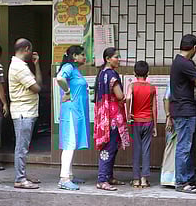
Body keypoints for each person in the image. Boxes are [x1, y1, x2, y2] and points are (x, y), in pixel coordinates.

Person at [169, 35, 196, 194]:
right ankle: (181, 182)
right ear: (195, 48)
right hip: (184, 110)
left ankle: (188, 177)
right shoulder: (184, 63)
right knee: (184, 147)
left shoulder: (179, 61)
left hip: (182, 109)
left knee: (187, 147)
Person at [8, 38, 43, 189]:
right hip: (23, 111)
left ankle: (22, 175)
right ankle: (20, 179)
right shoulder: (19, 67)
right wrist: (36, 67)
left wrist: (36, 65)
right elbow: (37, 87)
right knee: (21, 147)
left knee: (23, 146)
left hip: (26, 111)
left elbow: (37, 84)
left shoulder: (20, 65)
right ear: (27, 49)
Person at [94, 47, 130, 191]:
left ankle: (108, 176)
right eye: (116, 57)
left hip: (103, 113)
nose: (118, 59)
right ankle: (102, 179)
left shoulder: (102, 73)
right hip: (112, 115)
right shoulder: (112, 75)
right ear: (108, 59)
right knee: (109, 147)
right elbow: (120, 96)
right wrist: (129, 93)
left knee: (111, 146)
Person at [55, 45, 90, 190]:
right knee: (70, 144)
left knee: (72, 142)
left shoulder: (75, 70)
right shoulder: (69, 67)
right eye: (82, 54)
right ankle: (64, 179)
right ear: (74, 56)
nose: (84, 57)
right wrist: (67, 92)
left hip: (76, 111)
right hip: (71, 111)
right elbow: (59, 78)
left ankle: (69, 174)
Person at [127, 60, 157, 188]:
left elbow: (128, 98)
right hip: (148, 121)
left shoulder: (132, 86)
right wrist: (155, 126)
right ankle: (144, 179)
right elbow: (154, 108)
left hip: (136, 122)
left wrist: (129, 113)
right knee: (146, 150)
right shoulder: (152, 88)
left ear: (134, 73)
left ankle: (135, 179)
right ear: (148, 73)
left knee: (136, 150)